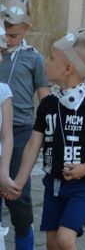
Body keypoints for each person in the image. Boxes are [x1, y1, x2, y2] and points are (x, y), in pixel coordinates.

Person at [6, 30, 85, 250]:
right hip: (53, 186)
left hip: (82, 187)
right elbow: (33, 144)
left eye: (50, 57)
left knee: (65, 240)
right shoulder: (48, 104)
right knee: (51, 244)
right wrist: (19, 181)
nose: (45, 60)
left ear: (68, 69)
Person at [0, 0, 49, 249]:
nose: (7, 41)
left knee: (17, 195)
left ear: (27, 28)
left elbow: (45, 98)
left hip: (20, 132)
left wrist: (48, 132)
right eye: (3, 33)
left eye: (14, 35)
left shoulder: (33, 58)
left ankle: (24, 236)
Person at [0, 20, 14, 198]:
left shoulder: (3, 91)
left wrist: (3, 173)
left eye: (1, 52)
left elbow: (7, 135)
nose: (1, 59)